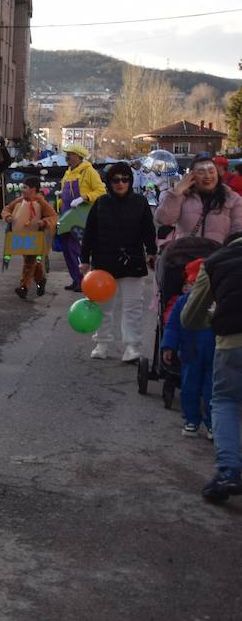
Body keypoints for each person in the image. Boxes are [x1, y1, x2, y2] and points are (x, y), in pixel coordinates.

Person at [183, 231, 242, 501]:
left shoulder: (215, 261)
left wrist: (214, 319)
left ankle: (229, 471)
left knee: (226, 401)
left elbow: (190, 317)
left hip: (232, 342)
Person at [81, 161, 156, 361]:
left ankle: (132, 346)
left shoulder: (140, 202)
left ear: (130, 181)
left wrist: (151, 252)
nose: (121, 183)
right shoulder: (101, 203)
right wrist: (84, 259)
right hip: (104, 262)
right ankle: (102, 342)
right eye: (116, 180)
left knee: (133, 306)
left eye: (125, 179)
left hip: (132, 261)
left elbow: (148, 230)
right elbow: (89, 232)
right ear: (109, 182)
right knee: (104, 306)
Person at [164, 258, 215, 439]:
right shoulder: (182, 302)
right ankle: (192, 419)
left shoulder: (216, 302)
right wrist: (168, 346)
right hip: (190, 352)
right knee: (189, 388)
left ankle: (213, 424)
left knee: (212, 391)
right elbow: (172, 326)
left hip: (214, 354)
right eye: (190, 283)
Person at [156, 153, 242, 245]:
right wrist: (176, 193)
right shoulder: (182, 196)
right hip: (186, 255)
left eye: (211, 171)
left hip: (219, 257)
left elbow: (238, 232)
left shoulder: (232, 198)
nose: (207, 176)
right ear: (191, 175)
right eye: (201, 172)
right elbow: (163, 219)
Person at [55, 143, 105, 292]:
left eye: (70, 154)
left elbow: (101, 191)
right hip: (65, 215)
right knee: (65, 247)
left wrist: (85, 197)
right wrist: (59, 200)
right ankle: (75, 278)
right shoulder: (68, 172)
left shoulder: (89, 171)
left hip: (80, 216)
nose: (67, 157)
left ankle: (83, 281)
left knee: (74, 248)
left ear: (78, 156)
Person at [1, 175, 57, 298]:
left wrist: (44, 222)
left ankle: (24, 287)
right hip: (21, 237)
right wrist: (8, 217)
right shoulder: (20, 200)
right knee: (31, 262)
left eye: (25, 187)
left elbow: (53, 216)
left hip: (37, 237)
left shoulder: (41, 202)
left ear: (33, 189)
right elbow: (6, 209)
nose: (23, 190)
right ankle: (41, 280)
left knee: (29, 262)